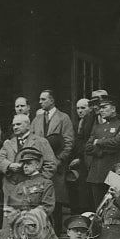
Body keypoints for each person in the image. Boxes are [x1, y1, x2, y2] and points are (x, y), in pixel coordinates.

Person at [32, 89, 75, 231]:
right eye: (40, 99)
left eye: (43, 99)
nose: (40, 102)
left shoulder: (63, 118)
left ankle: (56, 234)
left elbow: (68, 142)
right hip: (39, 167)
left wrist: (58, 159)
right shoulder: (37, 119)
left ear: (51, 100)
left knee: (55, 201)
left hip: (57, 167)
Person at [0, 114, 56, 207]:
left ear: (28, 125)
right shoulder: (8, 143)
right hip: (11, 186)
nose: (15, 127)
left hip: (33, 190)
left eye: (18, 124)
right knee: (12, 218)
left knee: (31, 217)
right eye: (14, 125)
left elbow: (51, 164)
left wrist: (39, 180)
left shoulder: (41, 142)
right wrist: (10, 166)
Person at [85, 97, 120, 207]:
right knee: (99, 206)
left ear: (113, 109)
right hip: (97, 173)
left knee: (116, 206)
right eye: (100, 108)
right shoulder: (97, 127)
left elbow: (118, 143)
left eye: (104, 107)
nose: (101, 110)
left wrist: (99, 142)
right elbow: (87, 147)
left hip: (114, 171)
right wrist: (101, 152)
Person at [68, 97, 96, 215]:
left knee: (88, 193)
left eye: (83, 108)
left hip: (87, 161)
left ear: (90, 109)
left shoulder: (92, 122)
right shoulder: (75, 124)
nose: (80, 111)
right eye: (78, 108)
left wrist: (80, 157)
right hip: (75, 163)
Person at [9, 147, 56, 214]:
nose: (25, 166)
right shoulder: (19, 185)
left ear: (37, 165)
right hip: (21, 222)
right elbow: (12, 207)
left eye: (28, 163)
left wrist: (30, 216)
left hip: (38, 221)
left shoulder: (46, 183)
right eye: (24, 164)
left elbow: (48, 206)